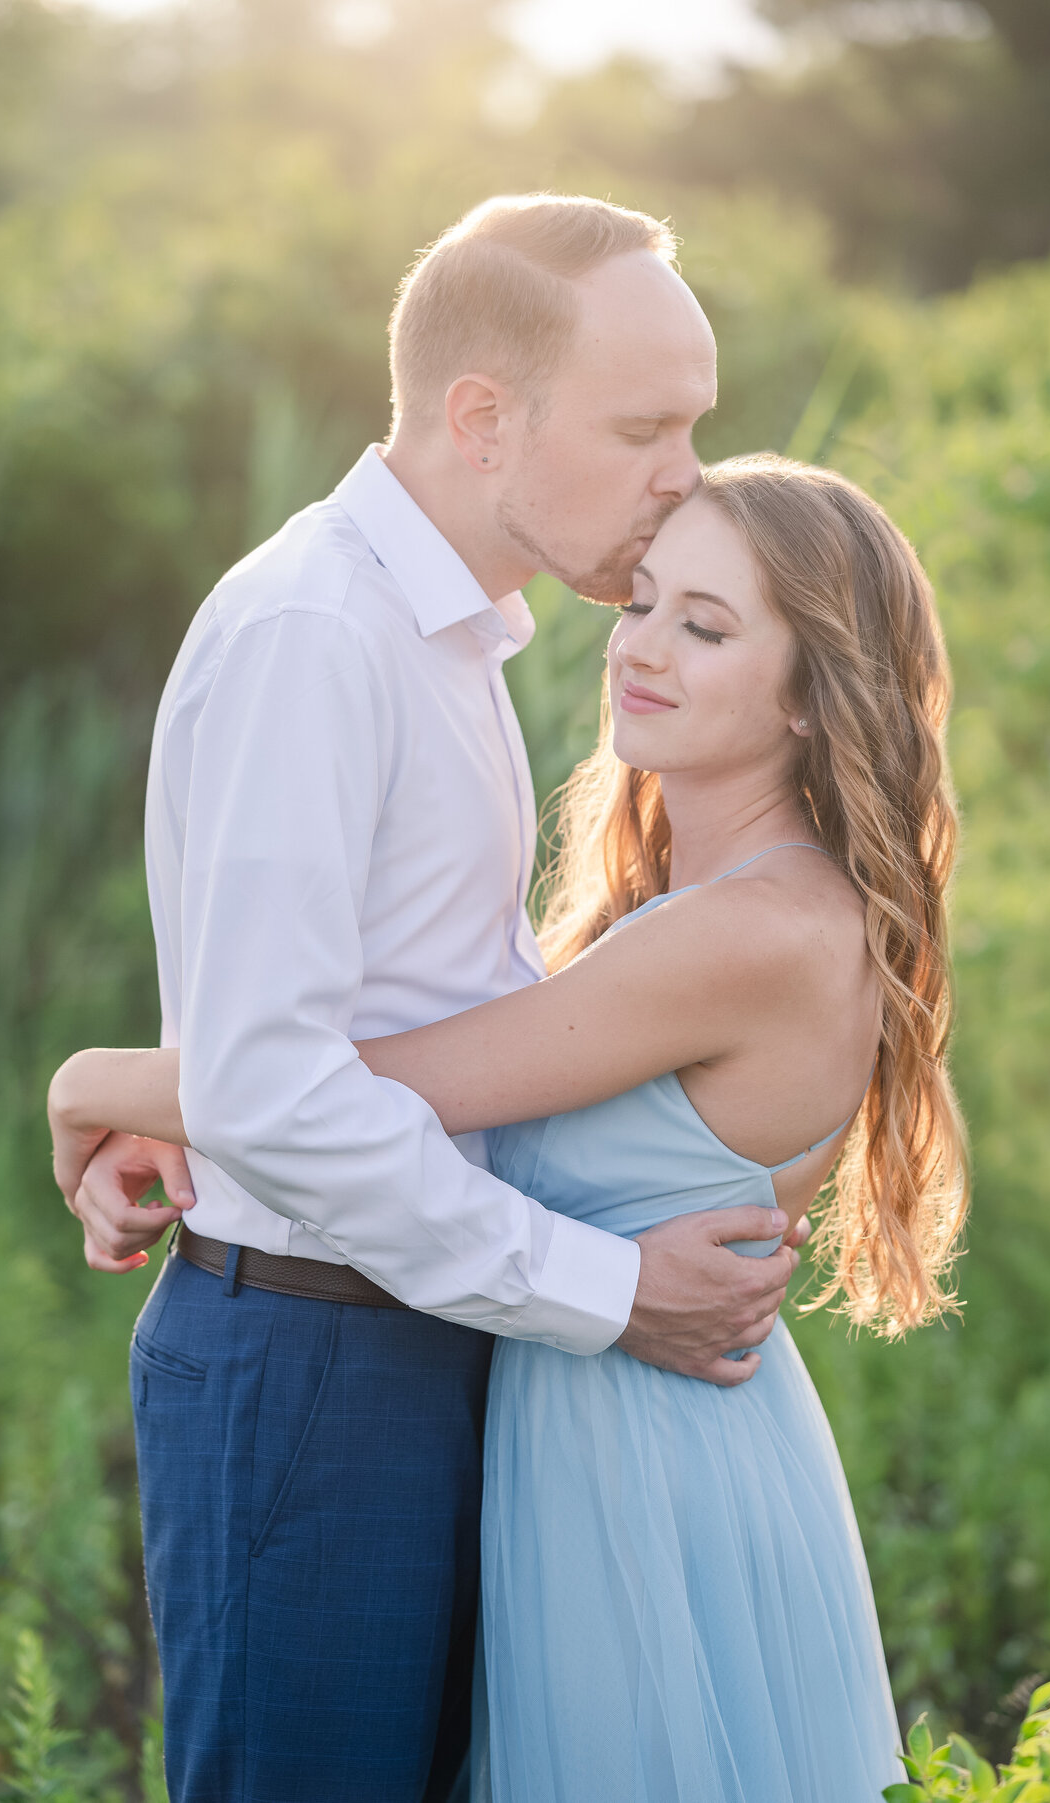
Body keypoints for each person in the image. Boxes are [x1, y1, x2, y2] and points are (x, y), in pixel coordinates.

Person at [53, 452, 968, 1801]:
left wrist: (91, 1083)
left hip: (643, 1472)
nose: (641, 649)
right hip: (601, 1431)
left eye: (705, 628)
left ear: (811, 694)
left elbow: (342, 1087)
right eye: (642, 604)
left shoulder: (743, 934)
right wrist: (213, 1127)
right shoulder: (721, 908)